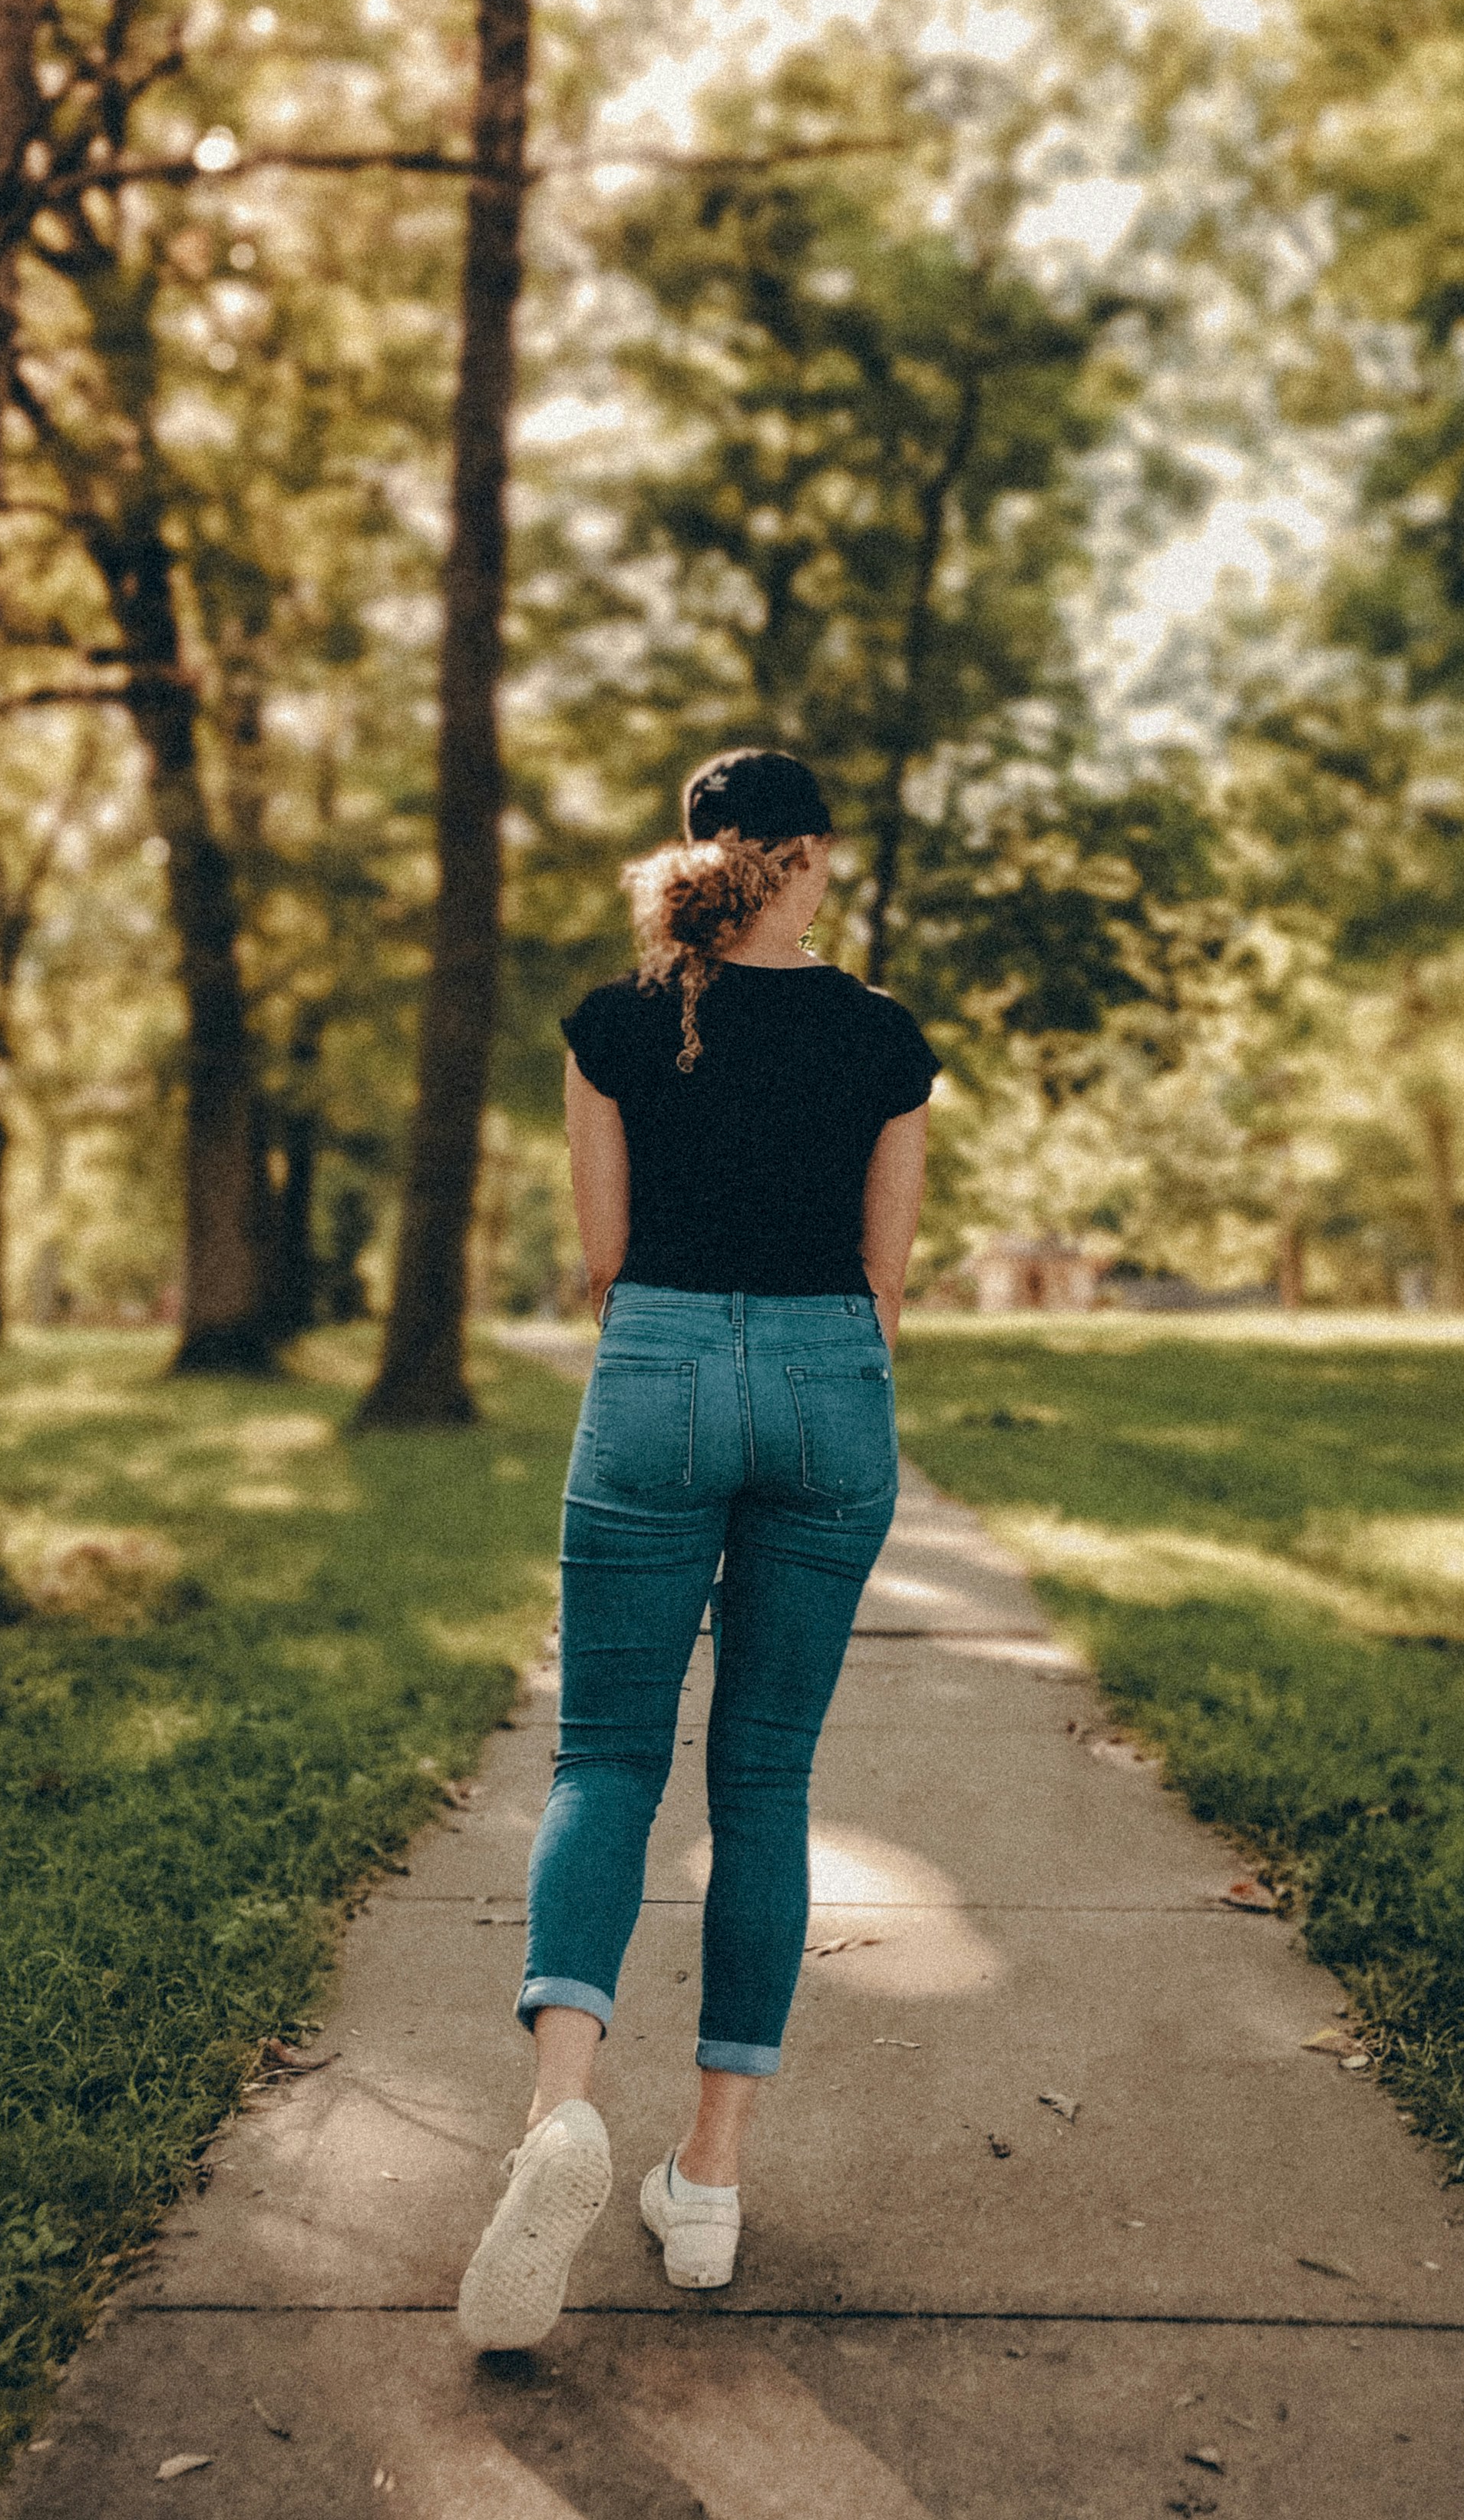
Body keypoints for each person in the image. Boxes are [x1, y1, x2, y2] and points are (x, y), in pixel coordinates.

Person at [455, 747, 937, 2351]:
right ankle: (709, 2183)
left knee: (603, 1760)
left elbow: (602, 1254)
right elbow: (886, 1270)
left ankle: (559, 2120)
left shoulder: (613, 1025)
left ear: (701, 859)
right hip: (826, 1387)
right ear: (811, 860)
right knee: (768, 1780)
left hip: (655, 1371)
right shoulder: (884, 1041)